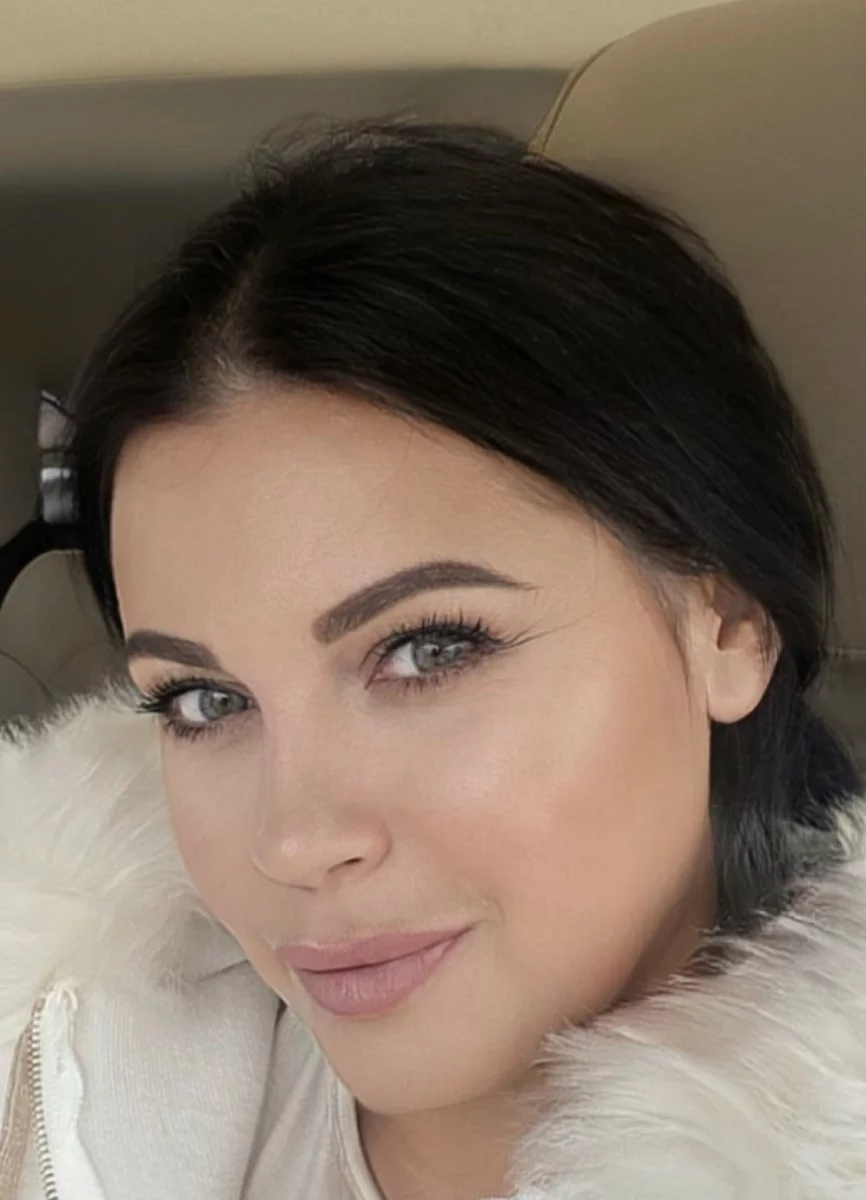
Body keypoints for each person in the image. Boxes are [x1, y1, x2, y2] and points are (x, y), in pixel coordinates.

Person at [1, 119, 864, 1200]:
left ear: (727, 623)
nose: (295, 843)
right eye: (204, 701)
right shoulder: (55, 1077)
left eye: (427, 650)